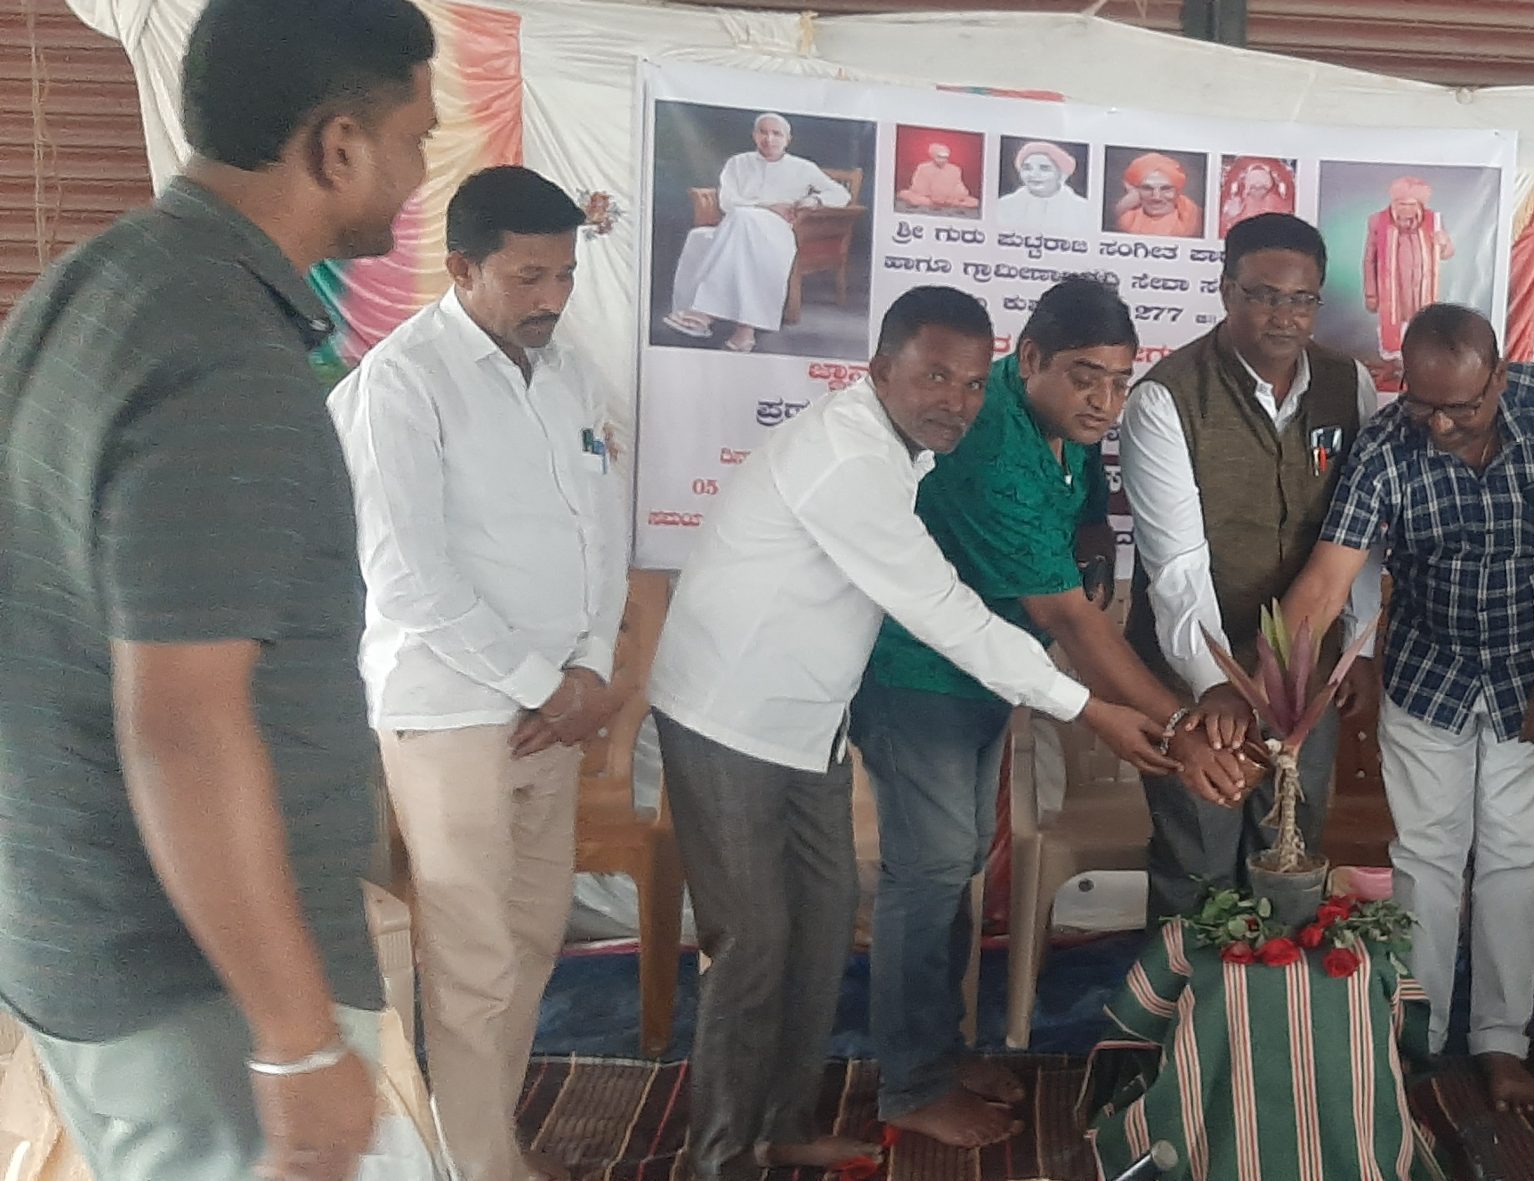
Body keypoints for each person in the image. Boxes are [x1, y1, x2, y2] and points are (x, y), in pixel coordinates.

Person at [0, 2, 436, 1179]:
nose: (417, 176)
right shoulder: (226, 355)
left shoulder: (99, 282)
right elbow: (184, 724)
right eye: (413, 139)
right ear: (338, 146)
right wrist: (297, 1040)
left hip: (98, 933)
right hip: (199, 989)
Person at [645, 286, 1178, 1180]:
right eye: (934, 377)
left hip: (809, 722)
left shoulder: (908, 450)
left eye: (970, 383)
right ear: (880, 369)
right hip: (726, 719)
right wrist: (1088, 709)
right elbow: (944, 612)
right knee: (754, 943)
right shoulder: (848, 459)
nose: (957, 402)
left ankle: (782, 1123)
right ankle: (722, 1157)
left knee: (822, 929)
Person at [849, 277, 1256, 1149]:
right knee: (926, 874)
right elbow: (1071, 619)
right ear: (1029, 357)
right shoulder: (994, 451)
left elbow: (1079, 498)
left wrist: (1096, 527)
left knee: (956, 859)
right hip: (916, 678)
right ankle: (910, 1084)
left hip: (986, 675)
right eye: (1085, 377)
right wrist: (1182, 726)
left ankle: (939, 1051)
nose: (1104, 402)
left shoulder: (1049, 414)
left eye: (1120, 381)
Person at [327, 165, 623, 1181]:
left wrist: (589, 669)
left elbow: (599, 531)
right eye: (527, 276)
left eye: (565, 275)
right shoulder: (400, 382)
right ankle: (477, 1167)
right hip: (449, 708)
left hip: (554, 706)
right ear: (462, 267)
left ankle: (485, 1148)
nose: (551, 297)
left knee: (532, 939)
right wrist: (546, 685)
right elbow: (407, 577)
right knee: (471, 958)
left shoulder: (571, 371)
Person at [1279, 304, 1534, 1113]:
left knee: (1513, 861)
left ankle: (1502, 1040)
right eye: (1422, 403)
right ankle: (1419, 1034)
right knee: (1426, 859)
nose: (1438, 425)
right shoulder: (1386, 442)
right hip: (1428, 675)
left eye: (1461, 408)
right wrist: (1267, 681)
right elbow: (1330, 577)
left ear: (1500, 377)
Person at [1119, 212, 1382, 920]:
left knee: (1289, 847)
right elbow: (1176, 568)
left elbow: (1358, 528)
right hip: (1194, 672)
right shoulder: (1166, 398)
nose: (1284, 317)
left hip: (1305, 670)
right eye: (1263, 295)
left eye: (1301, 299)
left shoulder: (1348, 384)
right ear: (1226, 290)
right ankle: (1186, 992)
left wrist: (1359, 648)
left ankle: (1276, 992)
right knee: (1200, 860)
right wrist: (1219, 687)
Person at [661, 112, 853, 354]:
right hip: (737, 225)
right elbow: (727, 201)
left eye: (776, 134)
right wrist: (767, 206)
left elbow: (841, 194)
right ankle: (746, 330)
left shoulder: (803, 167)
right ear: (754, 135)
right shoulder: (737, 163)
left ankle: (703, 313)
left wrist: (813, 200)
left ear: (788, 139)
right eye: (763, 132)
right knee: (714, 232)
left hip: (776, 230)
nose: (769, 139)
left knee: (742, 222)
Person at [1362, 176, 1456, 360]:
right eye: (1401, 203)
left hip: (1421, 291)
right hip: (1392, 292)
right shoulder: (1378, 221)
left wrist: (1444, 242)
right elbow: (1369, 260)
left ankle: (1416, 364)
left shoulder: (1434, 221)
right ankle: (1393, 363)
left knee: (1422, 331)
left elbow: (1446, 254)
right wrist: (1371, 295)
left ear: (1420, 204)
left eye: (1411, 204)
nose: (1406, 209)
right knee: (1393, 332)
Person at [994, 140, 1087, 234]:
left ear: (1062, 174)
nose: (1034, 174)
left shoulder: (1082, 209)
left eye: (1044, 168)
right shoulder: (1004, 205)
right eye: (1027, 168)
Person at [1113, 151, 1204, 238]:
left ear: (1177, 191)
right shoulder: (1126, 221)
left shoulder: (1198, 219)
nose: (1156, 197)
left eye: (1166, 188)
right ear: (1134, 191)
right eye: (1147, 188)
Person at [1217, 156, 1295, 236]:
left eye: (1262, 187)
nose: (1258, 187)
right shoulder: (1235, 204)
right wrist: (1230, 215)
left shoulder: (1279, 204)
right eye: (1254, 187)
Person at [898, 140, 980, 214]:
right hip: (929, 198)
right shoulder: (923, 168)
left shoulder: (955, 169)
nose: (943, 160)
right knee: (907, 195)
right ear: (933, 156)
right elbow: (919, 187)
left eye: (945, 157)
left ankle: (949, 204)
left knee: (974, 202)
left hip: (950, 199)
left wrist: (952, 197)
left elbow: (959, 187)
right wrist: (934, 197)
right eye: (940, 157)